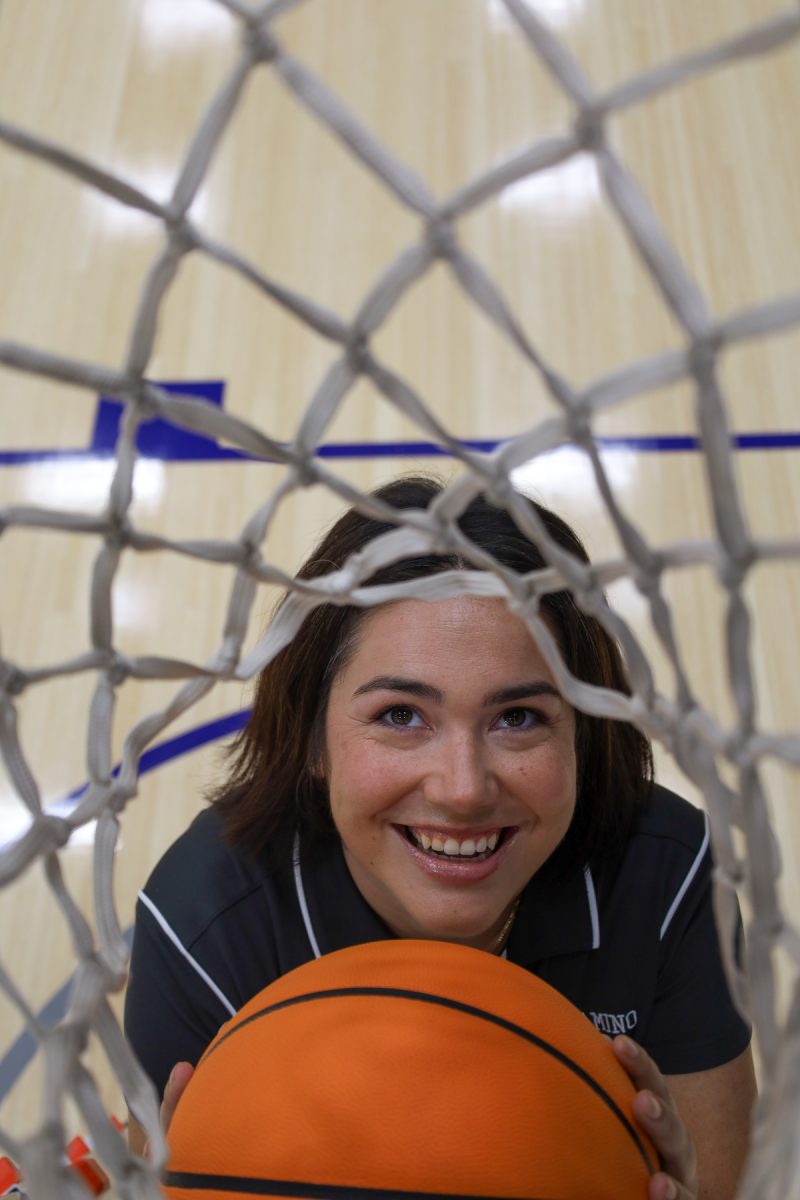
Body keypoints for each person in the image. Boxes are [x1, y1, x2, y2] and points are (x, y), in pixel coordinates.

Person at [124, 475, 756, 1200]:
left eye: (518, 716)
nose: (462, 788)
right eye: (400, 715)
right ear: (311, 738)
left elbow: (724, 1183)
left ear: (584, 732)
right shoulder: (206, 928)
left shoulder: (669, 880)